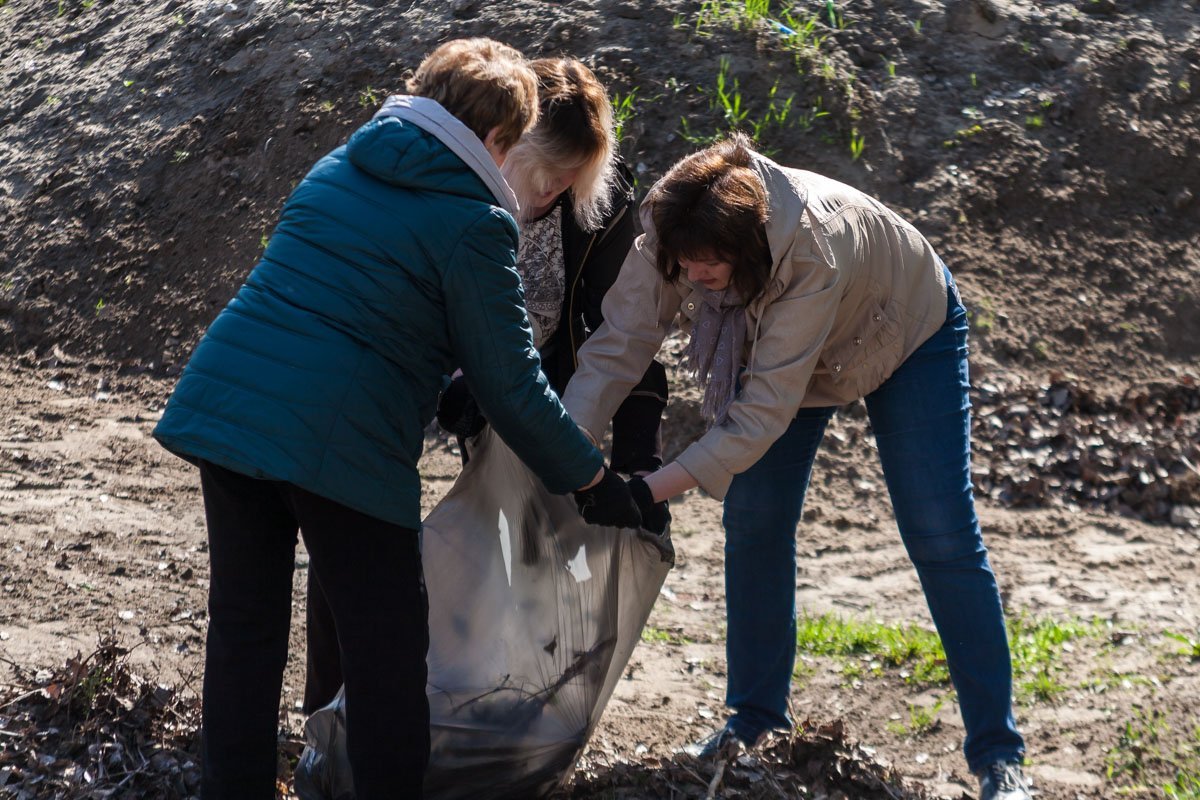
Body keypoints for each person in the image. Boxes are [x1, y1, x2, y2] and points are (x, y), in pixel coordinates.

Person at [152, 38, 641, 800]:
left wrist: (444, 378)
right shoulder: (476, 222)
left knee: (244, 633)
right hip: (338, 442)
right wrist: (592, 479)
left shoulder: (339, 166)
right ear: (493, 140)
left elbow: (363, 299)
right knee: (386, 658)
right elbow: (513, 387)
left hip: (230, 414)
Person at [560, 134, 1033, 800]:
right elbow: (620, 346)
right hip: (791, 351)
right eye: (684, 265)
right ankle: (753, 721)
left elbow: (757, 419)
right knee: (753, 521)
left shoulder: (811, 248)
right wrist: (565, 456)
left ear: (748, 249)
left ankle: (1000, 758)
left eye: (709, 267)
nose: (693, 277)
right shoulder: (671, 227)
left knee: (940, 534)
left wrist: (643, 492)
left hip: (903, 330)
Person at [301, 55, 671, 717]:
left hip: (535, 395)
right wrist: (457, 378)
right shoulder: (445, 180)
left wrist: (637, 458)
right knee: (354, 542)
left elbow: (628, 334)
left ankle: (498, 708)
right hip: (407, 380)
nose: (555, 194)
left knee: (524, 556)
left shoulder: (602, 207)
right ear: (505, 142)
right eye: (547, 176)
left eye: (571, 183)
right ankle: (334, 713)